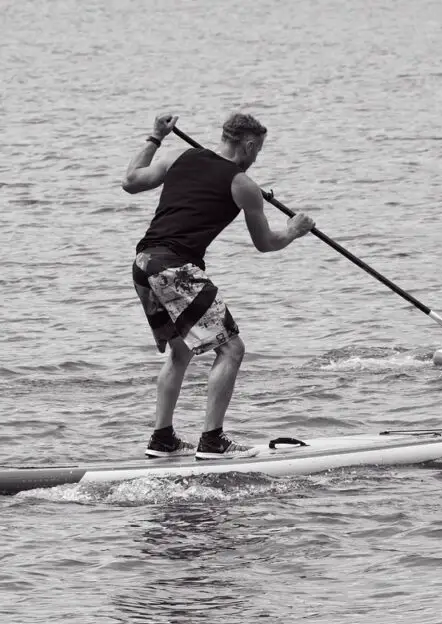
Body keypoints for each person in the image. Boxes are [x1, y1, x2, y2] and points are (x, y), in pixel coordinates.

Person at [122, 112, 315, 459]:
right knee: (231, 349)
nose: (257, 157)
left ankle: (162, 439)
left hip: (142, 263)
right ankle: (212, 441)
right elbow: (266, 243)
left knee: (181, 352)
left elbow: (132, 181)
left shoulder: (179, 157)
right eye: (259, 150)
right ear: (250, 144)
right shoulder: (242, 184)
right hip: (174, 268)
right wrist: (294, 230)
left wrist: (155, 137)